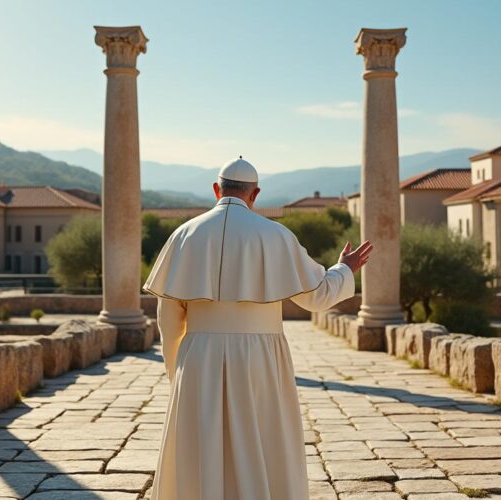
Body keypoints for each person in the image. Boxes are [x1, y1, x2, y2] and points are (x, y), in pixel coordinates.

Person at [144, 157, 372, 500]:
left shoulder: (183, 235)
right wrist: (344, 269)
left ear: (216, 189)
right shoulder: (276, 235)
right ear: (256, 194)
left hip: (199, 356)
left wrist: (178, 366)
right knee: (263, 440)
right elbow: (319, 295)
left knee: (200, 444)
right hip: (261, 357)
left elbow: (168, 316)